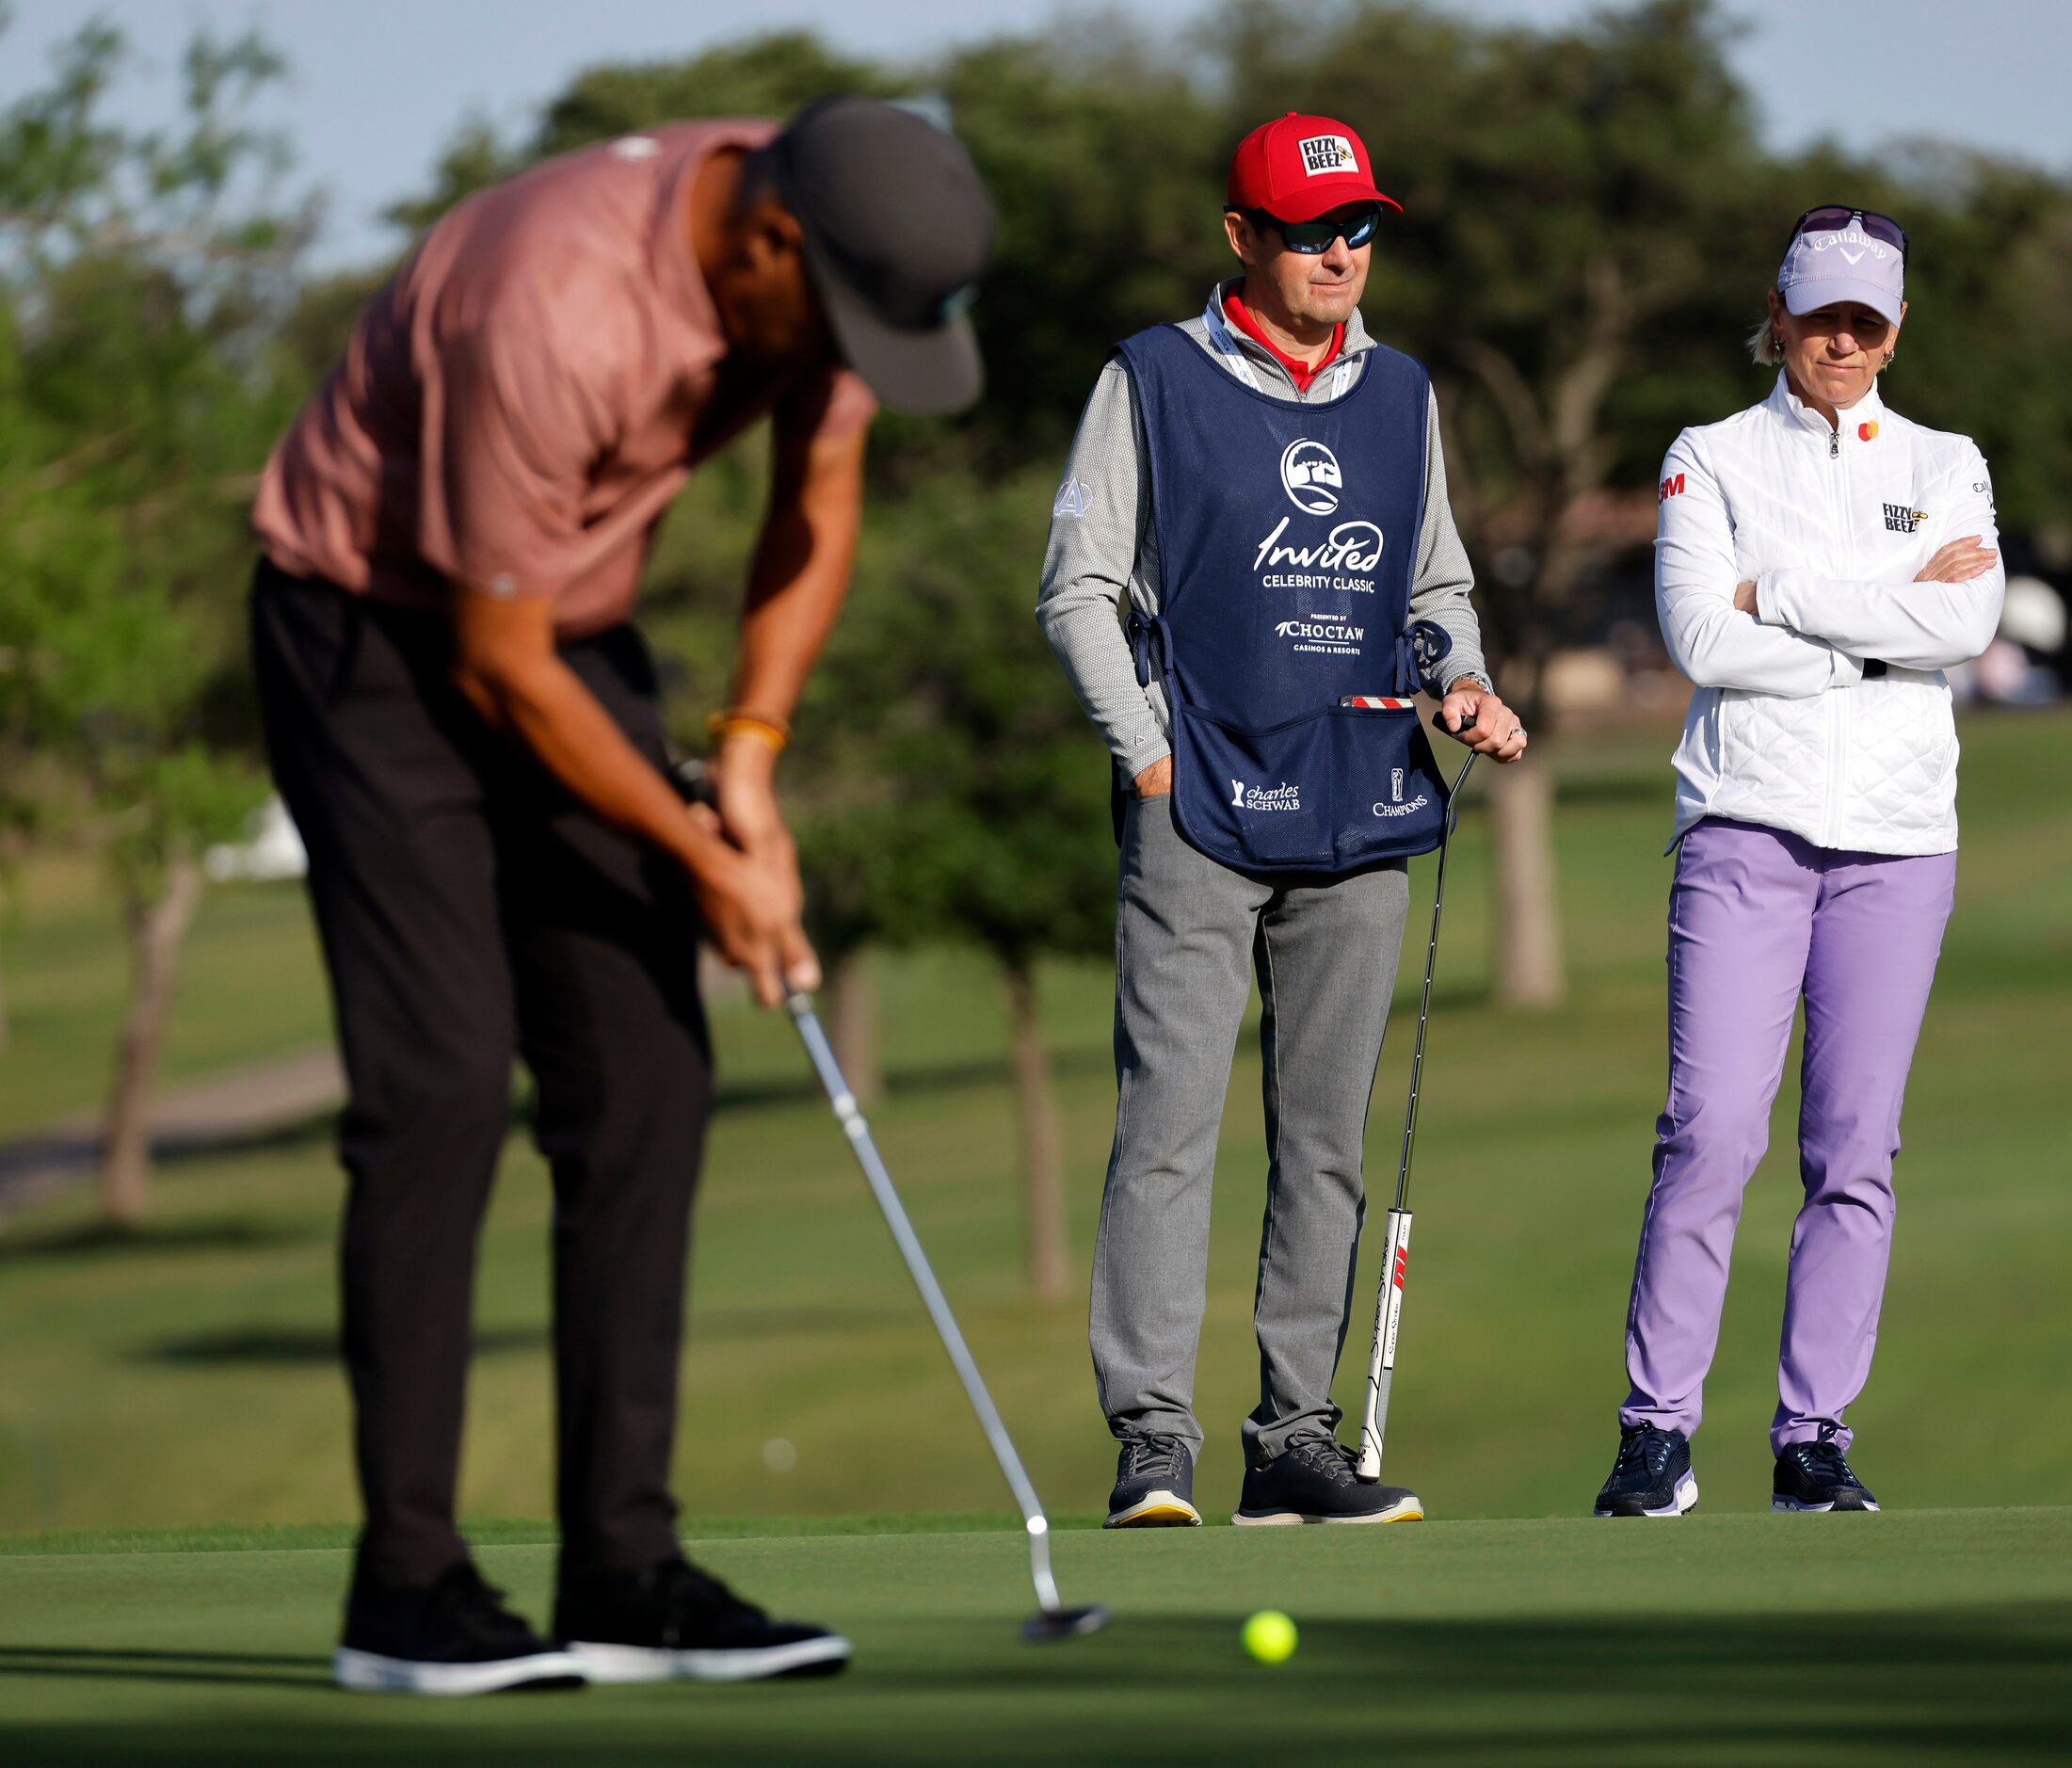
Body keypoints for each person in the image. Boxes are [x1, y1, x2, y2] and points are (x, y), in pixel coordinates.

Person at [250, 99, 996, 1693]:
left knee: (647, 1073)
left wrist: (748, 762)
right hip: (371, 634)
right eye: (844, 321)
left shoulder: (821, 254)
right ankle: (409, 1586)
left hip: (558, 626)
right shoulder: (555, 304)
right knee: (439, 1084)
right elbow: (489, 662)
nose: (847, 356)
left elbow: (816, 501)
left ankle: (624, 1570)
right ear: (772, 241)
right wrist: (702, 857)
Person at [1038, 112, 1527, 1530]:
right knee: (1168, 1131)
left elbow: (1430, 594)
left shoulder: (1403, 394)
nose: (1339, 255)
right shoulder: (1150, 379)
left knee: (1321, 1141)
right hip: (1194, 807)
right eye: (1310, 232)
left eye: (1358, 228)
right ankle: (1151, 1437)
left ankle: (1292, 1442)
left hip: (1362, 806)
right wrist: (1144, 760)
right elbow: (1078, 590)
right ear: (1242, 237)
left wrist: (1466, 687)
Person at [1594, 206, 2002, 1520]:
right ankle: (1656, 1432)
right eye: (1819, 314)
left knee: (1852, 1148)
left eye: (1865, 320)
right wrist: (1883, 621)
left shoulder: (1947, 461)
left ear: (1895, 329)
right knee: (1707, 1132)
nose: (1841, 340)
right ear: (1775, 312)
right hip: (1744, 824)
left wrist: (1784, 595)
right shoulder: (1706, 455)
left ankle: (1810, 1437)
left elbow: (1969, 619)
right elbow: (1701, 640)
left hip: (1897, 842)